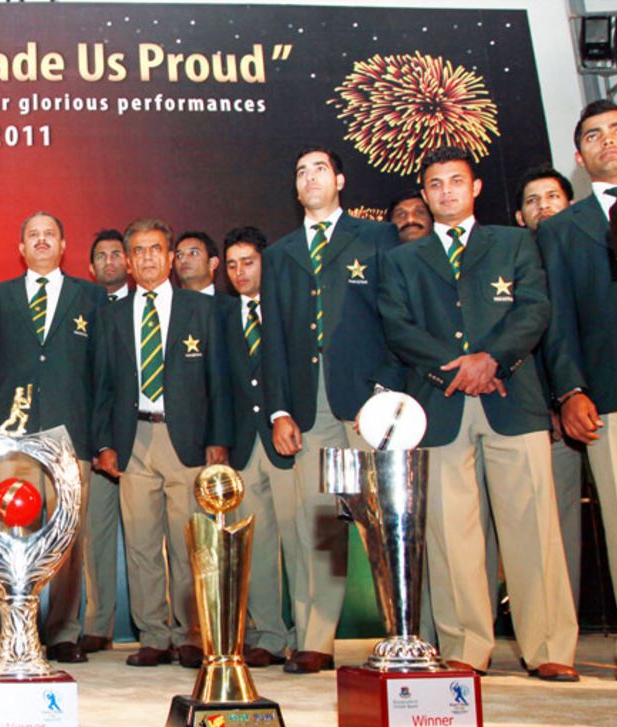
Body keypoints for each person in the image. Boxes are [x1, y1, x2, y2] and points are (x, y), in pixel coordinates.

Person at [379, 146, 578, 681]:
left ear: (476, 187)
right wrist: (454, 369)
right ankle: (467, 645)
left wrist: (492, 360)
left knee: (533, 527)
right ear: (424, 194)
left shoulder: (515, 243)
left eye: (455, 181)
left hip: (512, 399)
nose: (445, 191)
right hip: (440, 407)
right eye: (435, 184)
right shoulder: (400, 260)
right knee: (451, 535)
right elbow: (398, 328)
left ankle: (549, 647)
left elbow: (534, 309)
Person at [261, 146, 402, 673]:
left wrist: (390, 391)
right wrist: (279, 411)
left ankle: (409, 631)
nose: (310, 177)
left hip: (372, 398)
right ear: (295, 189)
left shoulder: (377, 237)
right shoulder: (280, 255)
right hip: (307, 402)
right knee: (316, 523)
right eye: (300, 172)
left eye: (319, 168)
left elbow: (396, 317)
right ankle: (315, 637)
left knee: (389, 520)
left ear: (340, 179)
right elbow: (272, 339)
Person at [540, 100, 617, 681]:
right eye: (593, 136)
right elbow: (559, 318)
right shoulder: (565, 228)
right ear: (579, 157)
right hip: (614, 380)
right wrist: (570, 390)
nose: (607, 142)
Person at [92, 217, 230, 669]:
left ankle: (192, 633)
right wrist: (104, 443)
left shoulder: (202, 309)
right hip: (133, 437)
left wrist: (218, 438)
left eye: (156, 249)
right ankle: (153, 634)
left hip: (186, 438)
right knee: (142, 542)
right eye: (138, 251)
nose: (147, 257)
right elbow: (104, 385)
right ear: (128, 262)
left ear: (171, 258)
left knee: (190, 541)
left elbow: (219, 382)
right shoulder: (112, 315)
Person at [0, 211, 104, 664]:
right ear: (21, 248)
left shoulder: (90, 297)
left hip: (71, 435)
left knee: (67, 538)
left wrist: (98, 435)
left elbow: (102, 372)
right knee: (16, 534)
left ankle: (65, 630)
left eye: (50, 234)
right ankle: (16, 625)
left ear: (64, 244)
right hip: (14, 437)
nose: (42, 241)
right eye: (33, 235)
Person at [217, 226, 298, 667]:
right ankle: (267, 634)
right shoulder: (223, 316)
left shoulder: (288, 308)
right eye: (231, 265)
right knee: (257, 547)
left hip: (288, 442)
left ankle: (308, 638)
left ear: (265, 263)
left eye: (248, 262)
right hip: (245, 448)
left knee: (301, 542)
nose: (239, 272)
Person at [513, 163, 584, 609]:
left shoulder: (586, 253)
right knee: (536, 524)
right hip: (531, 410)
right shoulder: (511, 259)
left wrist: (573, 394)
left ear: (569, 204)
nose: (543, 208)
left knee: (567, 519)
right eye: (532, 201)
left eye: (552, 198)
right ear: (520, 215)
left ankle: (566, 618)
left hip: (589, 402)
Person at [80, 229, 128, 654]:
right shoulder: (85, 308)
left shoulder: (148, 306)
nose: (109, 261)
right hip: (97, 439)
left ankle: (172, 629)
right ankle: (98, 624)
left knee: (158, 538)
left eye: (117, 254)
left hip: (148, 436)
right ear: (90, 267)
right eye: (101, 256)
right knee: (96, 534)